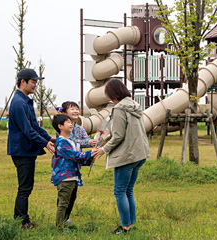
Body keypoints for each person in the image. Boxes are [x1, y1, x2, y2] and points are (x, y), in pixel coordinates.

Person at [92, 78, 150, 235]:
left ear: (112, 94)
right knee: (128, 190)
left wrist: (103, 149)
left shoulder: (118, 109)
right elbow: (121, 130)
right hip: (140, 154)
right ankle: (131, 223)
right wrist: (102, 139)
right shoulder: (134, 106)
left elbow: (118, 136)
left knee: (119, 191)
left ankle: (126, 227)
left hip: (127, 156)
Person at [7, 68, 55, 229]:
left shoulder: (26, 100)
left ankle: (21, 219)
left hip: (26, 150)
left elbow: (35, 126)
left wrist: (49, 138)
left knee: (26, 186)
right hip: (21, 151)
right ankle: (22, 221)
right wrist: (44, 144)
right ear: (23, 82)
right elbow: (27, 131)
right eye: (33, 82)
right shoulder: (19, 103)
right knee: (25, 187)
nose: (36, 85)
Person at [51, 114, 93, 230]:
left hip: (72, 176)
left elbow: (76, 159)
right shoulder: (61, 142)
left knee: (68, 202)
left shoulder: (70, 142)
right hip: (65, 177)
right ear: (60, 126)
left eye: (71, 122)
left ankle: (63, 223)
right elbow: (74, 155)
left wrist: (88, 160)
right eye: (68, 122)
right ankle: (59, 228)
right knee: (63, 203)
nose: (71, 124)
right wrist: (90, 153)